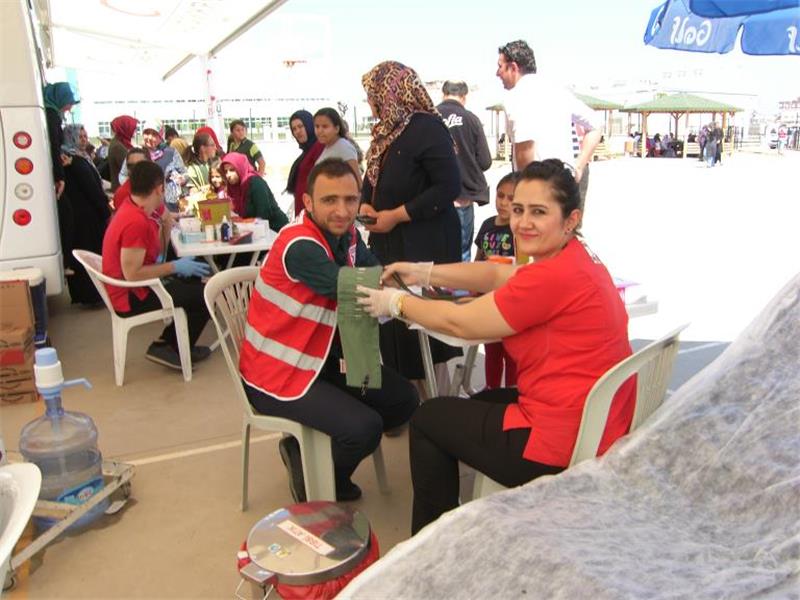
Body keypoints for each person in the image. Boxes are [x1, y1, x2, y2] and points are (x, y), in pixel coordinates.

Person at [357, 159, 636, 534]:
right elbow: (494, 273)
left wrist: (395, 303)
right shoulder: (576, 257)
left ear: (571, 219)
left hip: (560, 439)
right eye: (518, 210)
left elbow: (460, 323)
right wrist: (422, 270)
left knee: (427, 419)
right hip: (593, 418)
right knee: (475, 404)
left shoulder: (551, 277)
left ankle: (433, 543)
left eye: (539, 212)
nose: (523, 222)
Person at [239, 158, 419, 502]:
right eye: (329, 200)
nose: (342, 210)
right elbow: (357, 288)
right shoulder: (300, 245)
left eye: (350, 200)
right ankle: (314, 477)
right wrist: (422, 305)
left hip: (320, 358)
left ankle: (317, 453)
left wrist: (416, 281)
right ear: (308, 202)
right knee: (364, 428)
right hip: (276, 374)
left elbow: (374, 270)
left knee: (404, 400)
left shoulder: (347, 233)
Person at [359, 60, 462, 392]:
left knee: (422, 326)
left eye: (372, 95)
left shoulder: (426, 128)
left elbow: (448, 186)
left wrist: (397, 215)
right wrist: (365, 205)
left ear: (390, 93)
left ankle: (435, 399)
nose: (370, 103)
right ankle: (407, 396)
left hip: (424, 243)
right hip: (389, 243)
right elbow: (371, 180)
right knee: (393, 321)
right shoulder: (386, 133)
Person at [102, 161, 213, 371]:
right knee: (205, 295)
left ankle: (177, 344)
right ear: (159, 189)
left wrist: (172, 262)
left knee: (195, 280)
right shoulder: (135, 222)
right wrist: (174, 267)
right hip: (130, 296)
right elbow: (133, 274)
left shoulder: (131, 207)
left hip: (131, 288)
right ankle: (169, 347)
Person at [496, 40, 601, 215]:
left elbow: (525, 150)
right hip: (564, 182)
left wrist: (524, 198)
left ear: (513, 67)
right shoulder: (557, 91)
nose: (497, 73)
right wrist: (579, 166)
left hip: (539, 188)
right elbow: (596, 124)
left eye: (500, 66)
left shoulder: (517, 96)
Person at [437, 80, 493, 262]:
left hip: (431, 201)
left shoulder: (429, 117)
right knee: (461, 253)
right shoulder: (471, 119)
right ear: (464, 97)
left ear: (443, 94)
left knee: (435, 254)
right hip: (461, 199)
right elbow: (485, 161)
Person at [474, 172, 517, 389]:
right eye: (500, 196)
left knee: (511, 353)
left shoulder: (519, 230)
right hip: (487, 299)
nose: (503, 203)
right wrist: (472, 286)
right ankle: (491, 390)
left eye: (511, 199)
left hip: (510, 301)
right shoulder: (487, 224)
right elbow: (479, 258)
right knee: (491, 350)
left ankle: (511, 393)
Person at [61, 124, 111, 306]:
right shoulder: (73, 160)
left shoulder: (77, 158)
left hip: (86, 216)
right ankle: (92, 296)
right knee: (90, 255)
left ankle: (91, 295)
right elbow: (91, 189)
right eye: (80, 136)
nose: (84, 140)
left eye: (85, 136)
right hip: (85, 218)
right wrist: (105, 210)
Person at [43, 82, 79, 274]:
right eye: (68, 102)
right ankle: (65, 262)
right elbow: (53, 146)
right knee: (66, 214)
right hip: (55, 175)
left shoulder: (48, 113)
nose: (69, 108)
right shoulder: (51, 116)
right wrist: (60, 176)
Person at [219, 153, 287, 231]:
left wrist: (244, 223)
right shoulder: (233, 188)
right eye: (226, 171)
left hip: (276, 229)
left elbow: (264, 214)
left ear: (240, 168)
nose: (228, 175)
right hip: (255, 230)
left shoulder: (255, 183)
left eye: (232, 170)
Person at [286, 109, 325, 217]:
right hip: (305, 211)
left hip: (315, 213)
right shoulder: (307, 151)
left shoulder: (319, 147)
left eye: (300, 126)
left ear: (309, 125)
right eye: (294, 129)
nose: (298, 131)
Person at [313, 107, 362, 187]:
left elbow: (357, 181)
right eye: (317, 126)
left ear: (336, 128)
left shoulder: (344, 147)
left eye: (325, 126)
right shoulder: (327, 147)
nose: (320, 131)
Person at [108, 115, 139, 192]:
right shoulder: (118, 147)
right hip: (122, 190)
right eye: (133, 128)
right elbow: (132, 169)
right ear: (125, 128)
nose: (135, 131)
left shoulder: (120, 143)